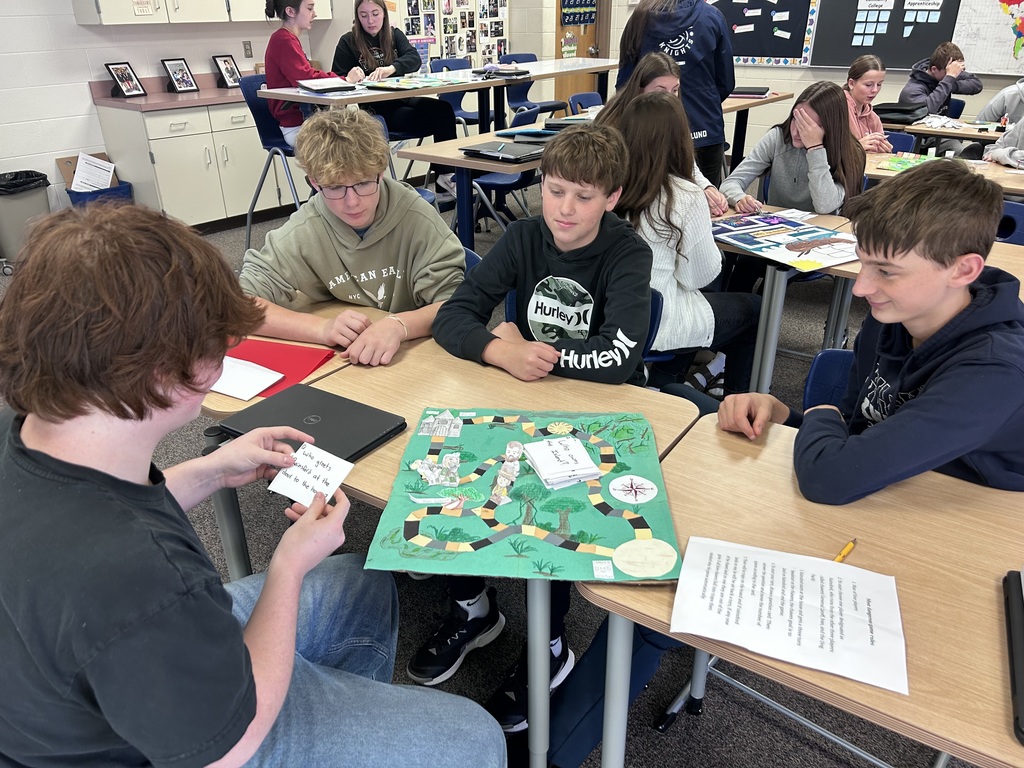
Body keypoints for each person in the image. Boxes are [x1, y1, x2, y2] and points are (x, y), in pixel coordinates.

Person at [545, 159, 1024, 768]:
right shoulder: (900, 314)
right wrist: (789, 412)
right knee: (668, 578)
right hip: (880, 498)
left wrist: (815, 409)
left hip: (964, 552)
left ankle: (551, 750)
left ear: (965, 270)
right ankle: (560, 740)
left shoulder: (995, 368)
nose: (863, 287)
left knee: (669, 597)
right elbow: (856, 423)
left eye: (886, 271)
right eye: (864, 261)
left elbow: (831, 467)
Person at [0, 203, 507, 768]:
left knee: (360, 585)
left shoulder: (29, 433)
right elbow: (229, 745)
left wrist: (212, 469)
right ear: (168, 377)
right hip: (176, 744)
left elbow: (93, 517)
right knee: (475, 738)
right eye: (220, 347)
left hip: (78, 680)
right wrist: (288, 564)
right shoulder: (138, 575)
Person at [420, 124, 653, 734]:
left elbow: (618, 358)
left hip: (590, 415)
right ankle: (474, 610)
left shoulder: (628, 253)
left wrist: (534, 351)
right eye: (554, 191)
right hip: (518, 398)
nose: (565, 209)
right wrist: (500, 352)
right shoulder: (524, 236)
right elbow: (455, 314)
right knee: (453, 482)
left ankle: (550, 648)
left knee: (554, 523)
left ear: (612, 196)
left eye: (582, 195)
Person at [239, 107, 465, 367]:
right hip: (347, 362)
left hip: (417, 355)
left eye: (363, 183)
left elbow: (456, 304)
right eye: (335, 188)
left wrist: (399, 325)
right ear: (314, 183)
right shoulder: (306, 228)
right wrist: (321, 329)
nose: (353, 202)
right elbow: (240, 306)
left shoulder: (417, 218)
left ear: (381, 173)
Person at [612, 91, 761, 394]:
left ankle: (666, 381)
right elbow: (700, 276)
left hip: (611, 317)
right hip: (655, 320)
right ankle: (733, 403)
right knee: (755, 310)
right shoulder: (683, 194)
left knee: (694, 303)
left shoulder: (609, 182)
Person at [720, 80, 866, 292]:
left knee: (772, 282)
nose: (798, 131)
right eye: (797, 119)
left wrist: (815, 148)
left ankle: (760, 320)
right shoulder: (778, 137)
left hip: (819, 238)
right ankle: (741, 320)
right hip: (775, 231)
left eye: (810, 126)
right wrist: (740, 198)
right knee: (744, 266)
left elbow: (825, 206)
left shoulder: (850, 152)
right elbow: (731, 182)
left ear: (831, 128)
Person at [332, 0, 458, 189]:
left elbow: (414, 59)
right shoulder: (348, 41)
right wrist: (349, 78)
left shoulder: (394, 35)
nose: (370, 20)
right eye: (363, 15)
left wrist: (391, 68)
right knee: (436, 120)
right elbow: (336, 78)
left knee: (444, 110)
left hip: (401, 98)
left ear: (383, 13)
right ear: (357, 17)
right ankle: (443, 173)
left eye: (375, 14)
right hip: (376, 110)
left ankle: (446, 177)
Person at [616, 0, 735, 187]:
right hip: (705, 124)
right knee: (709, 204)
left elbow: (625, 84)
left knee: (649, 198)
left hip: (651, 131)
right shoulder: (712, 16)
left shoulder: (639, 18)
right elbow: (726, 82)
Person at [596, 51, 729, 216]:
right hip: (621, 204)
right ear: (640, 89)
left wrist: (705, 187)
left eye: (675, 90)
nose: (669, 97)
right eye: (660, 90)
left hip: (653, 197)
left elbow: (685, 160)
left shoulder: (670, 117)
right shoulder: (616, 121)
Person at [264, 0, 341, 147]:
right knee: (351, 141)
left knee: (362, 131)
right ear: (291, 12)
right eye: (310, 8)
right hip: (297, 127)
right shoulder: (283, 40)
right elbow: (307, 79)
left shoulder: (288, 39)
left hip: (304, 122)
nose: (315, 13)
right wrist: (344, 79)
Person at [899, 42, 983, 158]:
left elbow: (976, 85)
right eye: (951, 73)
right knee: (956, 149)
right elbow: (927, 110)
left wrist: (950, 83)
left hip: (939, 134)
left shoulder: (946, 79)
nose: (956, 76)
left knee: (970, 150)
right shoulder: (912, 90)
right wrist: (948, 80)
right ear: (934, 69)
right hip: (920, 138)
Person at [843, 54, 893, 154]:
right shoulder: (837, 109)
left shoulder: (873, 118)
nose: (875, 90)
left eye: (879, 84)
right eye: (868, 85)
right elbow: (826, 153)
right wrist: (858, 147)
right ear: (851, 83)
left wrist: (885, 150)